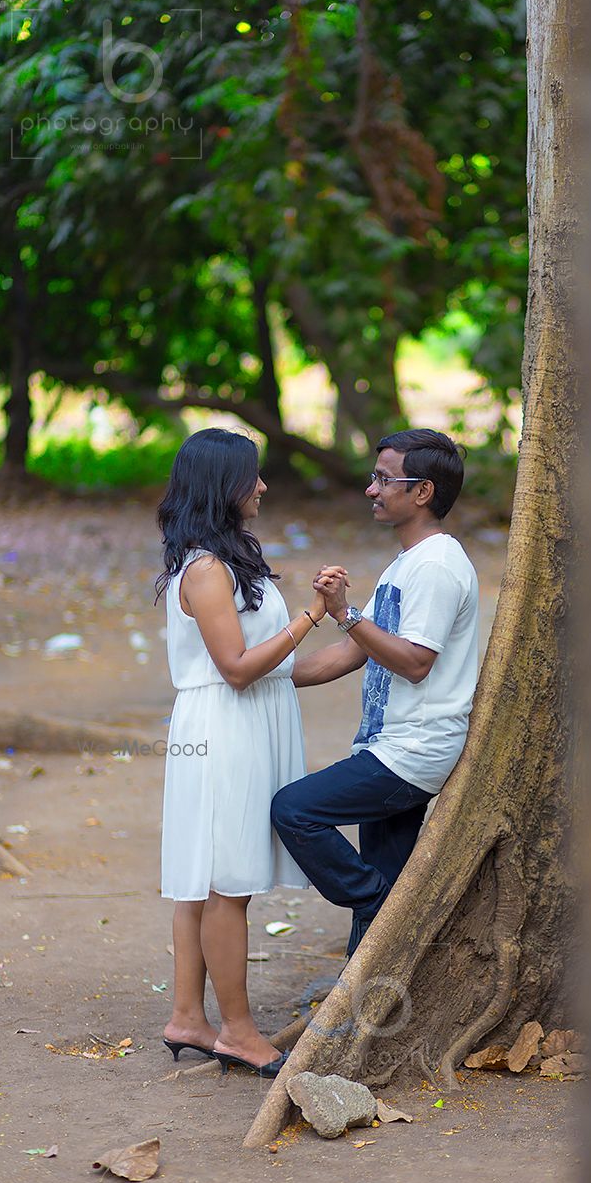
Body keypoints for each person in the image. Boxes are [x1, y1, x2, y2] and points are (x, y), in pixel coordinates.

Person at [154, 428, 341, 1077]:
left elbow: (274, 667)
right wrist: (312, 614)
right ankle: (235, 1029)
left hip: (242, 724)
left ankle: (188, 1016)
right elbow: (236, 667)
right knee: (225, 884)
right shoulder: (206, 570)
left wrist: (361, 640)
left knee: (204, 885)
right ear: (223, 487)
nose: (262, 486)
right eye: (252, 477)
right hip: (224, 731)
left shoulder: (226, 560)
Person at [271, 428, 479, 958]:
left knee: (294, 809)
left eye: (384, 480)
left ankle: (383, 904)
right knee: (379, 885)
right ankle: (360, 1022)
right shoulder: (407, 563)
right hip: (388, 745)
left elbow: (413, 662)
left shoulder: (434, 566)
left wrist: (345, 613)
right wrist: (268, 672)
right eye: (373, 478)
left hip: (414, 751)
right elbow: (357, 652)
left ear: (423, 492)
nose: (371, 489)